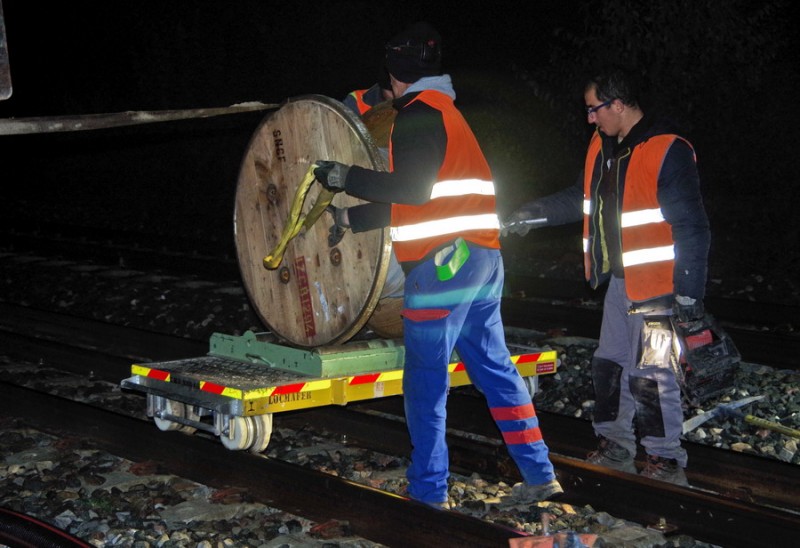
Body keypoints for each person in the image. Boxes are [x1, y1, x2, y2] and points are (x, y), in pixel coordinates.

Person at [313, 21, 562, 508]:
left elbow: (413, 189)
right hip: (481, 259)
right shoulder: (446, 111)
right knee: (494, 368)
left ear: (393, 74)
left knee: (425, 381)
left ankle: (428, 492)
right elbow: (428, 199)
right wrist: (351, 217)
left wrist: (346, 176)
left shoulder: (417, 114)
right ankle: (539, 472)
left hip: (444, 265)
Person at [505, 67, 710, 486]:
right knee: (610, 365)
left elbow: (692, 226)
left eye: (594, 110)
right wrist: (531, 214)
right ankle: (617, 446)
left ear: (618, 105)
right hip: (620, 283)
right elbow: (578, 198)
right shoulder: (604, 147)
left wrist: (689, 296)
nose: (590, 119)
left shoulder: (666, 149)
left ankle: (665, 461)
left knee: (653, 376)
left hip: (658, 288)